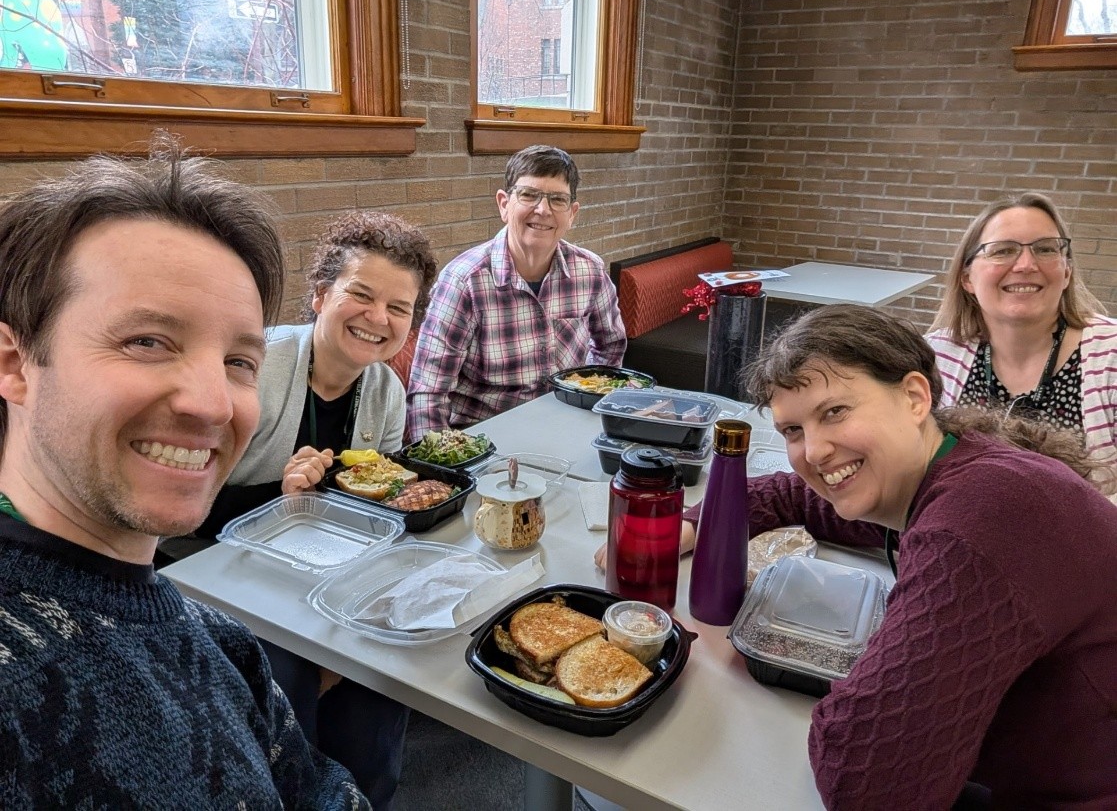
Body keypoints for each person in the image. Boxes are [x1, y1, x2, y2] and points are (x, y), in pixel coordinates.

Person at [0, 142, 369, 807]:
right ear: (14, 363)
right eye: (147, 342)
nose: (213, 404)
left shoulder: (219, 642)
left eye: (238, 361)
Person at [710, 305, 1116, 807]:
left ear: (914, 397)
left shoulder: (978, 522)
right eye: (793, 430)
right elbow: (808, 498)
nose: (813, 452)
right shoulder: (954, 466)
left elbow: (871, 782)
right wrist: (695, 520)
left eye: (834, 412)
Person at [195, 210, 438, 810]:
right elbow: (185, 505)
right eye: (360, 294)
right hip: (215, 570)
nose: (378, 318)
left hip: (323, 569)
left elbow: (365, 504)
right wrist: (274, 494)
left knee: (383, 675)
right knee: (288, 677)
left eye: (399, 307)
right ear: (321, 294)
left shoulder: (385, 391)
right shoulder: (255, 367)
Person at [406, 144, 626, 437]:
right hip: (485, 441)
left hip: (567, 428)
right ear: (504, 204)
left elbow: (610, 346)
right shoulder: (464, 282)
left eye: (557, 199)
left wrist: (591, 405)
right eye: (529, 195)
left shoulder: (590, 271)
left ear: (572, 213)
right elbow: (428, 394)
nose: (543, 210)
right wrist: (439, 469)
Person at [927, 192, 1116, 462]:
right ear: (967, 278)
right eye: (1003, 250)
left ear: (1067, 272)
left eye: (1046, 249)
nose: (1026, 265)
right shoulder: (936, 356)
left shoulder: (1111, 358)